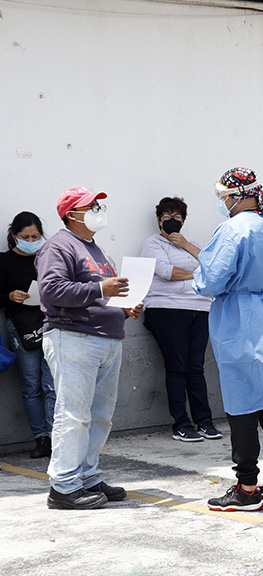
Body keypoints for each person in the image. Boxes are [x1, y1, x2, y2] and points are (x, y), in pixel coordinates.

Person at [194, 167, 263, 511]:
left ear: (237, 196)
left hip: (240, 319)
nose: (222, 202)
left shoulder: (233, 229)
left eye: (223, 196)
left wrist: (199, 277)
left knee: (242, 401)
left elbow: (210, 280)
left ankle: (247, 487)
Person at [37, 187, 143, 509]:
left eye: (99, 205)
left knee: (99, 417)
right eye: (92, 206)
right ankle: (64, 486)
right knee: (73, 414)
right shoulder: (58, 246)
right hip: (74, 337)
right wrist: (100, 288)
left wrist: (124, 306)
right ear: (72, 214)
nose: (99, 210)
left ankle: (87, 475)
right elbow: (51, 290)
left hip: (106, 337)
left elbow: (102, 294)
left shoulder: (97, 249)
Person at [140, 197, 221, 442]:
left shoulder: (192, 245)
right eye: (166, 216)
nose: (171, 220)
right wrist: (199, 274)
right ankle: (181, 424)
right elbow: (167, 272)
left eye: (177, 216)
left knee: (195, 367)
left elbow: (213, 268)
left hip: (200, 309)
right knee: (177, 366)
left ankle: (204, 421)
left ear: (183, 221)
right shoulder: (153, 244)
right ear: (159, 220)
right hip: (167, 309)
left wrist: (185, 245)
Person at [1, 212, 55, 458]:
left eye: (35, 236)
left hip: (50, 323)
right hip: (20, 327)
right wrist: (9, 296)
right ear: (14, 235)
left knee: (52, 384)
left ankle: (56, 436)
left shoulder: (47, 258)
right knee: (31, 384)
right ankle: (41, 438)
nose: (31, 241)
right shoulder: (5, 261)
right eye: (25, 237)